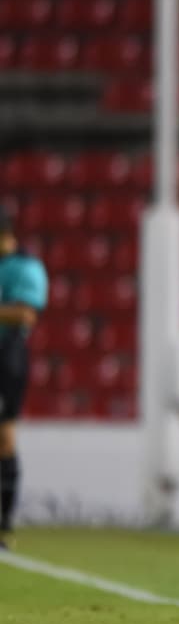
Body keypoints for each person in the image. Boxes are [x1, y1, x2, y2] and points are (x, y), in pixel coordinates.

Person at [0, 209, 48, 549]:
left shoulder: (26, 267)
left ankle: (2, 523)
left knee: (4, 435)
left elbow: (26, 311)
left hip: (7, 355)